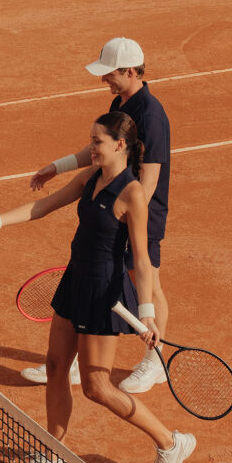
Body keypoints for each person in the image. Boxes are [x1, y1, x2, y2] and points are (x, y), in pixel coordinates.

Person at [0, 111, 194, 463]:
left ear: (119, 144)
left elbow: (143, 262)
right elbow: (42, 206)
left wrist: (146, 314)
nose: (91, 149)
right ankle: (54, 457)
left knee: (98, 387)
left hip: (105, 294)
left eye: (97, 142)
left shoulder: (132, 194)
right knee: (54, 366)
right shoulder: (90, 177)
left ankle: (169, 441)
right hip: (75, 281)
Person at [24, 37, 170, 394]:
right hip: (115, 205)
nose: (105, 79)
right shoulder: (122, 102)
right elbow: (96, 148)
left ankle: (155, 363)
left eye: (111, 74)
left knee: (144, 278)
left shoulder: (150, 117)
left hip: (135, 213)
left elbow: (147, 183)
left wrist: (123, 216)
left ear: (131, 71)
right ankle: (76, 360)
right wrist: (56, 168)